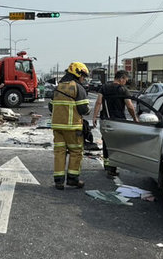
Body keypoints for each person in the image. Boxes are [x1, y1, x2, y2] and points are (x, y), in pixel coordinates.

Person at [49, 62, 91, 190]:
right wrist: (88, 111)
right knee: (76, 152)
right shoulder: (78, 88)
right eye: (83, 76)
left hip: (57, 127)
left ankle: (59, 182)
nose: (83, 78)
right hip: (73, 127)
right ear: (77, 74)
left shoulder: (58, 87)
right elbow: (83, 109)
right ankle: (73, 179)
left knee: (60, 153)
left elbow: (51, 107)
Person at [93, 70, 138, 177]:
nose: (125, 82)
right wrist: (135, 118)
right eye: (125, 80)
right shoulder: (123, 90)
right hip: (118, 121)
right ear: (121, 78)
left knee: (106, 142)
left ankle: (107, 164)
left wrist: (94, 116)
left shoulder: (104, 88)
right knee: (117, 143)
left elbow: (99, 102)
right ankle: (112, 168)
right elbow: (130, 106)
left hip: (105, 119)